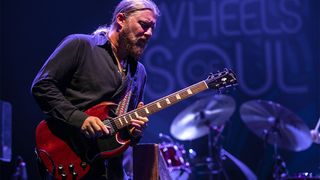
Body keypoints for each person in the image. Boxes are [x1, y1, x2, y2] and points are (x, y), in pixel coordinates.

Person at [31, 0, 160, 179]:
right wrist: (80, 119)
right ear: (121, 19)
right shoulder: (80, 45)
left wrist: (134, 131)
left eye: (152, 28)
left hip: (111, 170)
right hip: (66, 156)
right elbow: (42, 86)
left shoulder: (139, 72)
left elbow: (124, 128)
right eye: (144, 25)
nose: (149, 33)